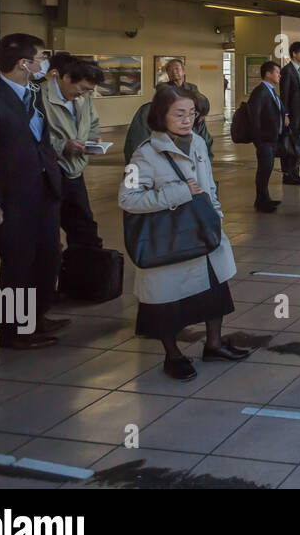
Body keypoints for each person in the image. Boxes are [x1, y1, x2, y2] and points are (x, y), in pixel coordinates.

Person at [120, 86, 249, 381]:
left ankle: (214, 345)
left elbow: (208, 184)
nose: (187, 119)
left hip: (202, 231)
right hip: (169, 240)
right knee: (168, 306)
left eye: (191, 113)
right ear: (160, 115)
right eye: (179, 114)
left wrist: (216, 214)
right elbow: (127, 199)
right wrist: (177, 193)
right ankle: (173, 355)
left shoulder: (199, 144)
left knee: (214, 294)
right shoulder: (144, 155)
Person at [0, 34, 67, 349]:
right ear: (24, 63)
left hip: (43, 192)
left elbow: (40, 142)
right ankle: (14, 332)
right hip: (10, 200)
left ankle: (36, 316)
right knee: (18, 264)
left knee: (48, 257)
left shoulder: (33, 96)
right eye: (40, 57)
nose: (44, 63)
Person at [41, 58, 107, 256]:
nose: (84, 93)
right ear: (66, 77)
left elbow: (93, 121)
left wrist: (94, 138)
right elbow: (30, 138)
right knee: (47, 230)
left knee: (85, 229)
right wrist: (62, 146)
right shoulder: (39, 97)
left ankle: (83, 276)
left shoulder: (83, 98)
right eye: (82, 88)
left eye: (88, 90)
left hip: (74, 171)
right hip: (48, 173)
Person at [249, 60, 285, 212]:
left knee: (267, 169)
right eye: (277, 72)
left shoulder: (270, 90)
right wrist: (258, 139)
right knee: (263, 170)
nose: (279, 76)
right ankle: (261, 201)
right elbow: (254, 117)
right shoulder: (260, 91)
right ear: (268, 74)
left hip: (271, 138)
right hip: (264, 139)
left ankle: (264, 198)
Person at [279, 42, 300, 185]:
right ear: (294, 53)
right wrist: (285, 114)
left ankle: (295, 173)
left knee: (298, 143)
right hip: (292, 113)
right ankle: (288, 174)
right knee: (289, 143)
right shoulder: (287, 70)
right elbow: (284, 94)